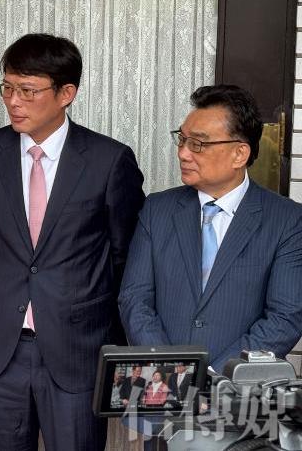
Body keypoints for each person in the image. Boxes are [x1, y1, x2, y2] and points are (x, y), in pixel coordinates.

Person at [0, 33, 145, 451]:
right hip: (2, 348)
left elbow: (124, 255)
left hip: (78, 348)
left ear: (66, 94)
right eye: (7, 88)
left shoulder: (108, 160)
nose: (13, 101)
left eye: (27, 90)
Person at [119, 84, 302, 373]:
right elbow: (135, 300)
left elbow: (285, 317)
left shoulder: (287, 220)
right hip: (161, 384)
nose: (183, 153)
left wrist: (213, 377)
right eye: (182, 139)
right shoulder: (157, 210)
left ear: (239, 154)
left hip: (236, 390)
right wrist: (169, 370)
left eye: (198, 144)